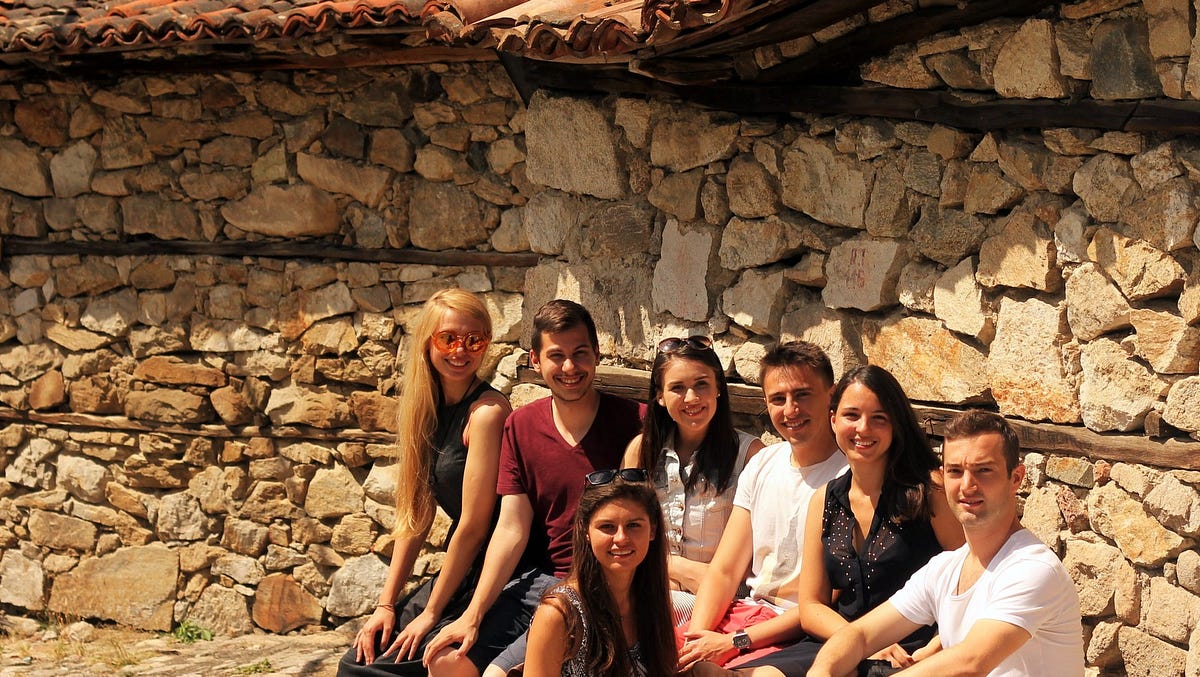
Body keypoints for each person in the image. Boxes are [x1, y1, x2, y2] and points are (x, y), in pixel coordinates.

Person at [423, 299, 645, 677]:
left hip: (603, 588)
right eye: (556, 356)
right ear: (535, 361)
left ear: (597, 355)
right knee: (446, 662)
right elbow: (511, 528)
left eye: (580, 353)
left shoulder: (634, 422)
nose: (570, 367)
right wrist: (472, 615)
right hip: (539, 583)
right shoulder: (521, 426)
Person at [700, 365, 965, 676]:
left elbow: (969, 581)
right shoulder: (825, 499)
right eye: (852, 415)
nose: (863, 428)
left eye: (879, 418)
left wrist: (936, 647)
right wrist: (857, 642)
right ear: (834, 419)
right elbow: (812, 606)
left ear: (896, 424)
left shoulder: (929, 492)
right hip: (836, 638)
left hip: (909, 648)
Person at [807, 409, 1084, 677]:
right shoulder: (944, 569)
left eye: (984, 470)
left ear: (1016, 478)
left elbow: (971, 663)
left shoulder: (1032, 569)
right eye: (955, 471)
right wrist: (822, 670)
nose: (967, 485)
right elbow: (860, 635)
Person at [338, 288, 512, 676]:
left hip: (496, 572)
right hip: (465, 569)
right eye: (448, 338)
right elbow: (416, 514)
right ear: (428, 342)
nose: (460, 350)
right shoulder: (426, 408)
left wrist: (430, 613)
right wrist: (386, 605)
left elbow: (474, 526)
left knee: (380, 670)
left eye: (474, 340)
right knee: (359, 660)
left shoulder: (487, 413)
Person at [678, 341, 849, 671]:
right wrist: (696, 640)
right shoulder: (762, 464)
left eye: (802, 395)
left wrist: (734, 641)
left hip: (795, 635)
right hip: (745, 613)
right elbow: (725, 570)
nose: (791, 410)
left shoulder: (849, 476)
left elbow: (828, 602)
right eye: (778, 399)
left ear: (831, 395)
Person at [622, 335, 764, 625]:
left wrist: (671, 568)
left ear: (718, 388)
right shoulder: (641, 451)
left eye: (701, 384)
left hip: (723, 602)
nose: (691, 398)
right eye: (677, 388)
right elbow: (626, 531)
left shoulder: (750, 455)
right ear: (660, 396)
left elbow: (751, 556)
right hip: (654, 588)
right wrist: (675, 570)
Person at [523, 469, 677, 677]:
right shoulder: (558, 615)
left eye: (633, 525)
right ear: (586, 531)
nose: (621, 538)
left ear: (653, 530)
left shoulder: (654, 601)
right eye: (607, 527)